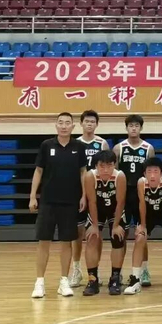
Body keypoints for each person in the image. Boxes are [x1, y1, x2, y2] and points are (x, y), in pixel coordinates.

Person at [29, 112, 87, 299]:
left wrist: (84, 195)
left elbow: (83, 172)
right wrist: (32, 196)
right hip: (48, 201)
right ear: (56, 126)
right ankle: (39, 282)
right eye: (60, 122)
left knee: (66, 242)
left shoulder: (79, 147)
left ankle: (64, 281)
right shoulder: (47, 145)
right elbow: (38, 171)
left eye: (67, 123)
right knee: (43, 241)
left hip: (70, 202)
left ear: (73, 126)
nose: (64, 126)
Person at [124, 158, 162, 295]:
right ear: (144, 174)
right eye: (149, 172)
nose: (152, 175)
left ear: (161, 173)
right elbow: (142, 204)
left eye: (155, 171)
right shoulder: (141, 183)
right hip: (149, 214)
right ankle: (135, 279)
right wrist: (142, 225)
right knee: (140, 238)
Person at [114, 114, 155, 286]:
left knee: (141, 233)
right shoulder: (119, 148)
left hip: (140, 195)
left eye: (136, 125)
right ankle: (118, 272)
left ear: (141, 128)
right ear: (126, 128)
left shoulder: (148, 148)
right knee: (121, 235)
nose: (133, 128)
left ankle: (144, 270)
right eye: (131, 125)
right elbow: (115, 174)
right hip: (124, 195)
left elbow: (151, 174)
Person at [71, 110, 110, 287]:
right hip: (78, 191)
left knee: (96, 234)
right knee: (78, 233)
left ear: (97, 124)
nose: (89, 124)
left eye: (92, 122)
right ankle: (76, 269)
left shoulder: (102, 143)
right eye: (86, 121)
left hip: (97, 192)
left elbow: (108, 169)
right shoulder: (75, 143)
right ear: (81, 123)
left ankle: (95, 270)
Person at [82, 150, 128, 296]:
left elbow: (120, 202)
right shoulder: (90, 176)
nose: (106, 170)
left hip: (115, 209)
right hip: (98, 209)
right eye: (102, 166)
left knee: (118, 237)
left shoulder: (119, 176)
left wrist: (116, 225)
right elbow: (92, 202)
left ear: (114, 165)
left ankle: (115, 278)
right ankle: (93, 280)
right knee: (92, 237)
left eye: (109, 165)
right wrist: (95, 226)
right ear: (96, 166)